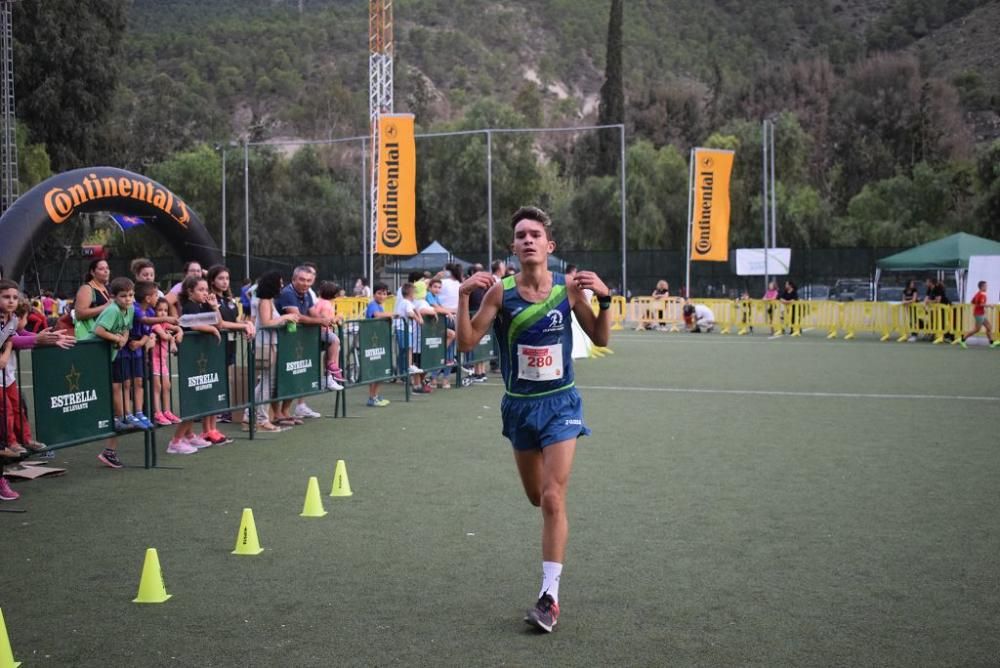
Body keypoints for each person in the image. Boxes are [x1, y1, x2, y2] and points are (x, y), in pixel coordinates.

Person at [456, 206, 611, 633]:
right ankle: (551, 571)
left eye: (535, 234)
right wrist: (462, 295)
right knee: (536, 498)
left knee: (554, 497)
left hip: (561, 403)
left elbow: (600, 337)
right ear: (513, 246)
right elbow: (467, 344)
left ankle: (549, 597)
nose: (528, 240)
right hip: (519, 407)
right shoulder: (498, 294)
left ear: (549, 245)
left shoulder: (568, 290)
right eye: (521, 235)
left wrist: (607, 297)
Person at [170, 275, 227, 450]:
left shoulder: (202, 305)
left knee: (202, 397)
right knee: (193, 400)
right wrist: (210, 329)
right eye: (200, 290)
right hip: (191, 359)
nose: (205, 293)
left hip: (201, 359)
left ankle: (188, 435)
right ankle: (175, 442)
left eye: (206, 290)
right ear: (190, 291)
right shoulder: (189, 306)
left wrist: (215, 307)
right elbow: (192, 324)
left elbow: (219, 323)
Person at [87, 276, 138, 468]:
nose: (128, 299)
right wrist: (116, 338)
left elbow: (126, 328)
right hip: (96, 358)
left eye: (131, 295)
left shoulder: (130, 309)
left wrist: (123, 337)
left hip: (112, 356)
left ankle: (110, 449)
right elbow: (98, 330)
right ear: (113, 297)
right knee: (106, 399)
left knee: (118, 393)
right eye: (123, 296)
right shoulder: (112, 310)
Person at [276, 265, 331, 420]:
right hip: (283, 340)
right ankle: (275, 413)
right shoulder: (287, 293)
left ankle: (285, 411)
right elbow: (297, 316)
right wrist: (321, 321)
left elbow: (313, 313)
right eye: (301, 279)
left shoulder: (307, 294)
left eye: (308, 280)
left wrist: (324, 319)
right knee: (279, 378)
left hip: (297, 341)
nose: (305, 283)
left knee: (296, 374)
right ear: (293, 279)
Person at [250, 271, 299, 430]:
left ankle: (248, 414)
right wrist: (286, 318)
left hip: (269, 343)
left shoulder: (268, 300)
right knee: (266, 383)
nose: (282, 285)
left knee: (265, 383)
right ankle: (262, 419)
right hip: (266, 344)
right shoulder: (265, 301)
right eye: (280, 282)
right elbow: (266, 323)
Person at [208, 265, 257, 425]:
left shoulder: (229, 300)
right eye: (220, 278)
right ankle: (215, 409)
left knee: (225, 374)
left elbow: (234, 320)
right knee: (215, 376)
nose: (224, 282)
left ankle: (224, 409)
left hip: (230, 343)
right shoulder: (210, 299)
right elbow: (219, 324)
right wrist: (243, 326)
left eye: (227, 278)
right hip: (214, 344)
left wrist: (246, 325)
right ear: (212, 280)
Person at [149, 297, 183, 427]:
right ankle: (157, 413)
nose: (163, 313)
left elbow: (177, 328)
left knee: (167, 385)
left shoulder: (165, 324)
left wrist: (178, 333)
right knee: (157, 387)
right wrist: (172, 339)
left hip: (162, 360)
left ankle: (167, 411)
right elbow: (164, 335)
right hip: (154, 359)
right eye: (159, 310)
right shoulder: (156, 325)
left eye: (165, 310)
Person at [311, 280, 345, 391]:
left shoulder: (320, 301)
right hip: (322, 331)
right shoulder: (326, 304)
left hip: (322, 331)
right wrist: (338, 317)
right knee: (335, 340)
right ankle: (332, 365)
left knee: (334, 347)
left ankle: (329, 375)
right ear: (334, 294)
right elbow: (325, 319)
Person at [364, 283, 394, 406]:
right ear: (374, 294)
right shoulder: (372, 305)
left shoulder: (380, 306)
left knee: (381, 370)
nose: (382, 296)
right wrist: (392, 314)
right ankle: (372, 397)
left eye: (384, 293)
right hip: (372, 343)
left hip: (379, 341)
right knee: (375, 371)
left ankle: (375, 395)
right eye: (379, 293)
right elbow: (376, 315)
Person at [73, 258, 113, 340]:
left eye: (107, 268)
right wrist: (104, 307)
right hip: (92, 336)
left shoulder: (107, 288)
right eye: (101, 269)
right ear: (92, 272)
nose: (106, 271)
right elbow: (79, 314)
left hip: (106, 335)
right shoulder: (87, 288)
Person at [959, 280, 998, 349]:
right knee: (976, 330)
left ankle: (991, 343)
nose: (987, 287)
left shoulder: (978, 293)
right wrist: (990, 306)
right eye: (985, 286)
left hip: (980, 313)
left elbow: (972, 301)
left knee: (989, 327)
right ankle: (963, 339)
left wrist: (978, 306)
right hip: (979, 314)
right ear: (982, 287)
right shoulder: (982, 295)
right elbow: (981, 304)